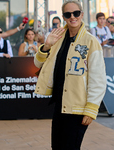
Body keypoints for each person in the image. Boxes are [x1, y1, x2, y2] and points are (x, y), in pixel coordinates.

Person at [34, 1, 107, 149]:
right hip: (60, 104)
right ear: (64, 17)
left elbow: (98, 79)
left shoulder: (91, 42)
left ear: (82, 14)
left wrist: (91, 109)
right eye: (68, 14)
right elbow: (38, 64)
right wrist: (46, 46)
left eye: (76, 13)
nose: (72, 17)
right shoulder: (57, 38)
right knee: (57, 147)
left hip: (78, 108)